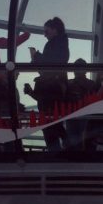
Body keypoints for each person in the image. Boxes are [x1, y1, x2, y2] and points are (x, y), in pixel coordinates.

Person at [27, 16, 71, 149]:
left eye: (46, 31)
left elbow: (50, 63)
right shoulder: (61, 44)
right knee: (54, 122)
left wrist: (36, 57)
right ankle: (63, 150)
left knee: (49, 123)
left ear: (55, 30)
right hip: (56, 89)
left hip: (51, 90)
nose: (44, 35)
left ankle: (56, 153)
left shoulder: (54, 45)